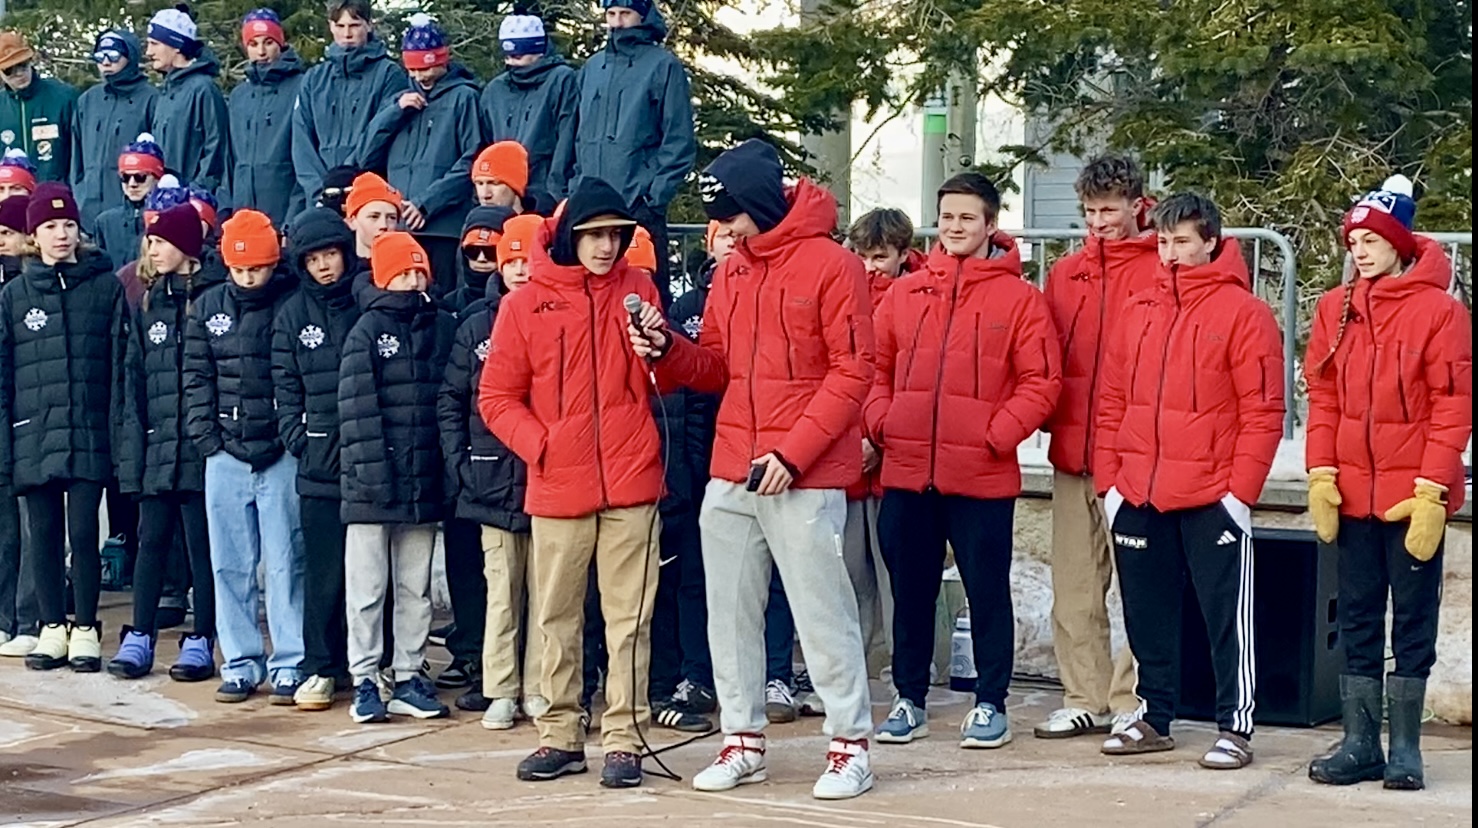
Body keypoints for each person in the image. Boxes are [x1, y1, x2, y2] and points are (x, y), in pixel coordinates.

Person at [630, 138, 877, 800]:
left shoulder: (833, 265)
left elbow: (854, 371)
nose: (723, 229)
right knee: (727, 611)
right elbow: (714, 366)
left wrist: (795, 453)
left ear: (761, 205)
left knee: (823, 611)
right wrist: (666, 349)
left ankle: (850, 743)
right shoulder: (733, 271)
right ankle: (741, 739)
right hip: (734, 466)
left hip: (805, 471)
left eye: (731, 214)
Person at [480, 178, 665, 788]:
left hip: (632, 480)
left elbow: (677, 367)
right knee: (556, 617)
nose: (608, 246)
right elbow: (496, 397)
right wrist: (544, 447)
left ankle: (624, 738)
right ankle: (559, 734)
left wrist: (660, 346)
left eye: (616, 234)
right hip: (560, 483)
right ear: (568, 238)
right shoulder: (523, 304)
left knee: (629, 619)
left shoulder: (639, 288)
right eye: (595, 235)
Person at [867, 173, 1062, 750]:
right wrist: (882, 421)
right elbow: (874, 368)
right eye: (947, 217)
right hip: (907, 471)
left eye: (967, 218)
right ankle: (909, 698)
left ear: (990, 225)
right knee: (912, 591)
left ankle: (991, 703)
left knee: (986, 591)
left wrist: (995, 434)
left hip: (980, 475)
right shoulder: (905, 293)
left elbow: (1041, 381)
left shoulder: (1020, 299)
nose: (955, 228)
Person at [1094, 193, 1284, 770]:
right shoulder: (1138, 308)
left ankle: (1236, 727)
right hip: (1140, 491)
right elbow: (1111, 400)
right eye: (1163, 241)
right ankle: (1153, 718)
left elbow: (1263, 410)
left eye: (1182, 241)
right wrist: (1112, 486)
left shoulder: (1245, 313)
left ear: (1210, 242)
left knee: (1226, 616)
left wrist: (1239, 495)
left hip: (1211, 495)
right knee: (1146, 614)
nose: (1171, 252)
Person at [1305, 176, 1472, 791]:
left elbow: (1453, 405)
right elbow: (1322, 397)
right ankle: (1359, 743)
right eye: (1354, 240)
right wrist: (1322, 472)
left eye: (1373, 239)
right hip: (1352, 494)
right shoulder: (1335, 307)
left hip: (1411, 498)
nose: (1361, 250)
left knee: (1412, 621)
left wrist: (1432, 490)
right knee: (1357, 617)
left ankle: (1405, 748)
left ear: (1400, 242)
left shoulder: (1441, 312)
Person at [1035, 154, 1155, 739]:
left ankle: (1134, 696)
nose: (1098, 221)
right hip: (1072, 451)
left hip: (1132, 456)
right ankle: (1083, 693)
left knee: (1138, 585)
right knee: (1075, 586)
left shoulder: (1161, 268)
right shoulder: (1066, 272)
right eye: (1089, 211)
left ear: (1138, 205)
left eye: (1109, 209)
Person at [0, 183, 127, 672]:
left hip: (88, 430)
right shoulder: (14, 295)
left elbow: (121, 363)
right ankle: (51, 626)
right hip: (34, 432)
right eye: (50, 227)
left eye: (68, 225)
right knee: (45, 532)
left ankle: (86, 627)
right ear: (34, 234)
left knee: (82, 533)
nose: (60, 235)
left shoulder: (104, 286)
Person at [183, 209, 304, 704]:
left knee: (285, 564)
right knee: (229, 565)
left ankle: (289, 662)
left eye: (258, 268)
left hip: (279, 454)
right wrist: (206, 439)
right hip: (225, 455)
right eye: (241, 270)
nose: (249, 278)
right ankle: (239, 661)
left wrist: (290, 437)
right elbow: (195, 377)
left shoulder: (291, 305)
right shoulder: (208, 305)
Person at [337, 231, 455, 724]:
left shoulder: (441, 327)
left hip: (422, 479)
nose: (411, 281)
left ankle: (408, 672)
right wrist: (373, 475)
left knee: (415, 588)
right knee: (367, 590)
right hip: (371, 484)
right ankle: (365, 677)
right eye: (402, 273)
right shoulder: (365, 331)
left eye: (418, 272)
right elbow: (357, 410)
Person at [439, 212, 546, 726]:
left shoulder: (556, 316)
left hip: (548, 480)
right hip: (491, 481)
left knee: (549, 595)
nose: (521, 270)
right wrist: (463, 464)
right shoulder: (476, 325)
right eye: (512, 261)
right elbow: (452, 399)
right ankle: (501, 686)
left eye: (530, 260)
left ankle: (543, 687)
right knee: (500, 592)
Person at [109, 203, 222, 681]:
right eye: (149, 241)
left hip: (200, 450)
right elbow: (131, 382)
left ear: (186, 247)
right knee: (150, 541)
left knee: (203, 549)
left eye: (160, 241)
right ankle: (140, 635)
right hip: (158, 449)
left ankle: (202, 638)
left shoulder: (214, 300)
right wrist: (133, 450)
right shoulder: (147, 304)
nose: (151, 249)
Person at [272, 208, 364, 712]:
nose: (326, 266)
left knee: (370, 575)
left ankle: (369, 664)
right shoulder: (291, 314)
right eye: (314, 259)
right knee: (323, 572)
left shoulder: (364, 300)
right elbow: (284, 386)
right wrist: (301, 440)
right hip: (319, 466)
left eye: (331, 254)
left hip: (368, 464)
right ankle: (320, 666)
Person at [432, 205, 515, 697]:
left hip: (519, 465)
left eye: (493, 249)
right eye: (474, 250)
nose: (483, 258)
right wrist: (457, 460)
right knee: (467, 566)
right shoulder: (450, 312)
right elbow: (447, 395)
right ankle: (469, 654)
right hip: (468, 463)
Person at [644, 222, 724, 732]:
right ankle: (655, 682)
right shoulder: (678, 316)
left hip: (690, 482)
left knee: (693, 584)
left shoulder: (673, 331)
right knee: (649, 590)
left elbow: (694, 414)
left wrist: (691, 478)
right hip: (640, 487)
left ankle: (697, 676)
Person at [843, 206, 922, 685]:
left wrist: (878, 437)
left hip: (893, 452)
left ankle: (903, 661)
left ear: (902, 254)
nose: (870, 267)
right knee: (852, 574)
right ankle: (854, 662)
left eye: (879, 257)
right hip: (848, 453)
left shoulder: (915, 296)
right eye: (862, 256)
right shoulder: (845, 293)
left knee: (898, 570)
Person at [575, 1, 694, 306]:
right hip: (589, 207)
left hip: (638, 205)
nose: (617, 22)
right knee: (589, 302)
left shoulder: (663, 66)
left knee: (647, 301)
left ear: (642, 16)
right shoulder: (593, 67)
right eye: (611, 14)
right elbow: (575, 133)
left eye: (625, 14)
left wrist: (653, 197)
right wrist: (572, 187)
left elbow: (678, 139)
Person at [359, 14, 483, 298]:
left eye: (428, 68)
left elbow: (471, 159)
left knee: (438, 301)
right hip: (399, 229)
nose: (421, 77)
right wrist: (395, 113)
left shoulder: (464, 97)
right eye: (413, 70)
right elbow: (366, 157)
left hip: (442, 228)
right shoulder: (398, 101)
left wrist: (426, 204)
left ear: (442, 60)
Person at [292, 0, 407, 214]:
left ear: (369, 25)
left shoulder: (389, 74)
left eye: (354, 25)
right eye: (340, 26)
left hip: (368, 194)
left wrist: (344, 184)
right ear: (331, 26)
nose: (347, 33)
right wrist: (321, 192)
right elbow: (302, 143)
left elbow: (381, 136)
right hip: (320, 198)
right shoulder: (314, 78)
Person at [482, 13, 578, 202]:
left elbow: (567, 138)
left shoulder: (562, 79)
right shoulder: (495, 89)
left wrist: (555, 192)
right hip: (502, 193)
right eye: (507, 56)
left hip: (544, 190)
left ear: (537, 49)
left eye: (518, 55)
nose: (511, 62)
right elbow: (485, 144)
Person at [71, 31, 158, 232]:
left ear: (131, 57)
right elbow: (76, 157)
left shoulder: (151, 98)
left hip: (131, 212)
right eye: (100, 57)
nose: (106, 62)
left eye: (114, 56)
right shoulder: (88, 100)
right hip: (87, 214)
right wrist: (78, 195)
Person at [0, 194, 37, 658]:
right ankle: (5, 615)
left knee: (32, 528)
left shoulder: (28, 290)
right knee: (5, 526)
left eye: (7, 233)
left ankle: (29, 615)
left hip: (30, 420)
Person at [228, 9, 306, 227]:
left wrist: (293, 218)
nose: (261, 52)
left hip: (284, 212)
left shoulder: (302, 86)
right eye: (253, 44)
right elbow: (229, 160)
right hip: (242, 213)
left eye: (268, 42)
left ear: (280, 43)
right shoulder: (238, 96)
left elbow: (305, 157)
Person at [145, 6, 230, 199]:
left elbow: (216, 148)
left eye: (154, 44)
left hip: (192, 203)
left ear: (176, 45)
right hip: (163, 200)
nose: (148, 52)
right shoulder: (165, 92)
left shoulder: (204, 89)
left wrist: (197, 193)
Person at [0, 31, 77, 187]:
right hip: (11, 200)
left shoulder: (64, 97)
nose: (19, 73)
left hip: (55, 197)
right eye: (9, 70)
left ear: (31, 61)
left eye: (22, 65)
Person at [94, 134, 165, 272]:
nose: (132, 184)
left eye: (140, 177)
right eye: (125, 177)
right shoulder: (105, 222)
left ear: (157, 178)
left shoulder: (168, 220)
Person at [344, 172, 403, 266]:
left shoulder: (409, 270)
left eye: (392, 218)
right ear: (351, 222)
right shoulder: (340, 270)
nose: (383, 225)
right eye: (374, 216)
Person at [470, 142, 529, 214]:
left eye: (494, 183)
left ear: (515, 187)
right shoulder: (472, 223)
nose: (484, 195)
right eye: (480, 183)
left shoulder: (537, 224)